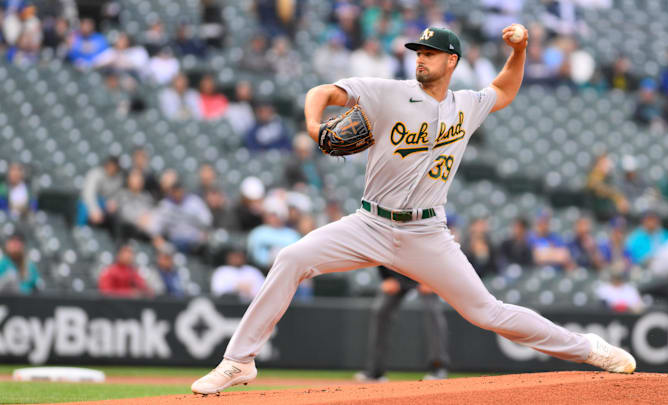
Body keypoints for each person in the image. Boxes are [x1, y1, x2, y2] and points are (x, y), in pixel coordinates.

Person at [192, 25, 635, 395]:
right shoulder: (386, 92)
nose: (421, 59)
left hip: (427, 233)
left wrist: (518, 50)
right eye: (418, 52)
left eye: (431, 53)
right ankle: (238, 361)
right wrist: (312, 123)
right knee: (291, 258)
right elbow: (322, 91)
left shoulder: (465, 105)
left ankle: (588, 348)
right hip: (369, 222)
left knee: (488, 313)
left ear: (452, 62)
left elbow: (503, 88)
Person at [356, 266, 450, 383]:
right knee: (380, 311)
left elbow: (436, 250)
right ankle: (375, 371)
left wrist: (433, 277)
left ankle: (438, 368)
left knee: (433, 312)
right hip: (397, 274)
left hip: (425, 274)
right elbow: (381, 250)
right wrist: (386, 278)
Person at [154, 182, 213, 253]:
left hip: (195, 241)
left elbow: (208, 220)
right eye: (174, 191)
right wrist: (160, 240)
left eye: (179, 191)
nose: (177, 194)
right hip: (174, 242)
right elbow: (156, 228)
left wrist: (203, 232)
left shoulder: (194, 201)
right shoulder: (165, 205)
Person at [246, 197, 300, 271]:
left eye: (278, 215)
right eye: (272, 215)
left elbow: (297, 255)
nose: (275, 218)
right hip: (262, 270)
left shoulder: (293, 235)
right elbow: (253, 255)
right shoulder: (258, 233)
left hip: (288, 270)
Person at [78, 156, 124, 227]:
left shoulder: (119, 178)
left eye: (114, 166)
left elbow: (118, 195)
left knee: (119, 213)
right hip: (91, 202)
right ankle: (79, 230)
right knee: (84, 207)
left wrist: (114, 202)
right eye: (110, 166)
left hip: (105, 204)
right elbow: (88, 194)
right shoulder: (96, 173)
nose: (112, 168)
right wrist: (94, 209)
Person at [586, 153, 629, 220]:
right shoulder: (593, 177)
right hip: (596, 213)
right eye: (604, 163)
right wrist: (616, 196)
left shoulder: (609, 179)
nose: (608, 166)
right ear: (598, 165)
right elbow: (595, 185)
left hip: (608, 213)